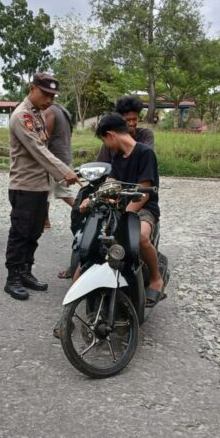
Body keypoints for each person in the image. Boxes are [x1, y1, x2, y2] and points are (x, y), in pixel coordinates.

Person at [4, 73, 80, 300]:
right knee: (20, 233)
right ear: (32, 88)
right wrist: (65, 172)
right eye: (45, 94)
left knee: (34, 232)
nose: (49, 100)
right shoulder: (21, 116)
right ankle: (13, 278)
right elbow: (38, 149)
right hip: (24, 185)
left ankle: (26, 271)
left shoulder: (37, 114)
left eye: (52, 96)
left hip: (39, 186)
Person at [85, 112, 163, 305]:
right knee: (94, 241)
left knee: (140, 237)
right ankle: (74, 302)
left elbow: (143, 193)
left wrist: (127, 214)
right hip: (120, 207)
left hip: (144, 209)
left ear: (110, 135)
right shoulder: (117, 156)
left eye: (104, 140)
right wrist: (94, 196)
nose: (105, 145)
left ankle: (156, 278)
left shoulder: (145, 153)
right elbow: (112, 180)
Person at [43, 104, 76, 274]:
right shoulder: (63, 109)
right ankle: (45, 221)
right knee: (47, 190)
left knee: (62, 192)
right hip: (64, 154)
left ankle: (84, 209)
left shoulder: (50, 111)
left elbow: (44, 137)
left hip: (56, 158)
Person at [96, 95, 154, 164]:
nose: (131, 123)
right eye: (128, 120)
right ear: (120, 119)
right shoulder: (111, 138)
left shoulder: (145, 134)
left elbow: (146, 158)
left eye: (134, 119)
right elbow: (101, 164)